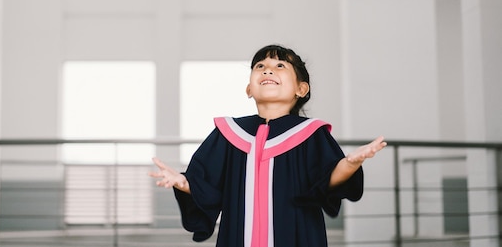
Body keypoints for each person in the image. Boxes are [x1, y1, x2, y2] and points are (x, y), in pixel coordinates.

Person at [149, 44, 387, 247]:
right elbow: (207, 185)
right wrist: (184, 182)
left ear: (301, 89)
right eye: (259, 66)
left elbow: (327, 181)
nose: (267, 69)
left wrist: (350, 162)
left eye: (280, 65)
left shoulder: (310, 134)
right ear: (249, 89)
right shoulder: (228, 134)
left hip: (296, 236)